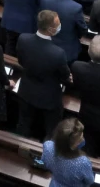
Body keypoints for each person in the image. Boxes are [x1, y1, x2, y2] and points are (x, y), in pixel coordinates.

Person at [16, 10, 70, 139]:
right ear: (50, 29)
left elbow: (21, 61)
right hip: (49, 98)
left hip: (26, 91)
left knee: (23, 124)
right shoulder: (58, 53)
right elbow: (65, 76)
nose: (60, 25)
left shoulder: (23, 39)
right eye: (58, 24)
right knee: (52, 130)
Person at [41, 118, 94, 187]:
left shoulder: (48, 146)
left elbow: (44, 162)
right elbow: (90, 181)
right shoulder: (83, 162)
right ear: (76, 144)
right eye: (81, 138)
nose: (82, 138)